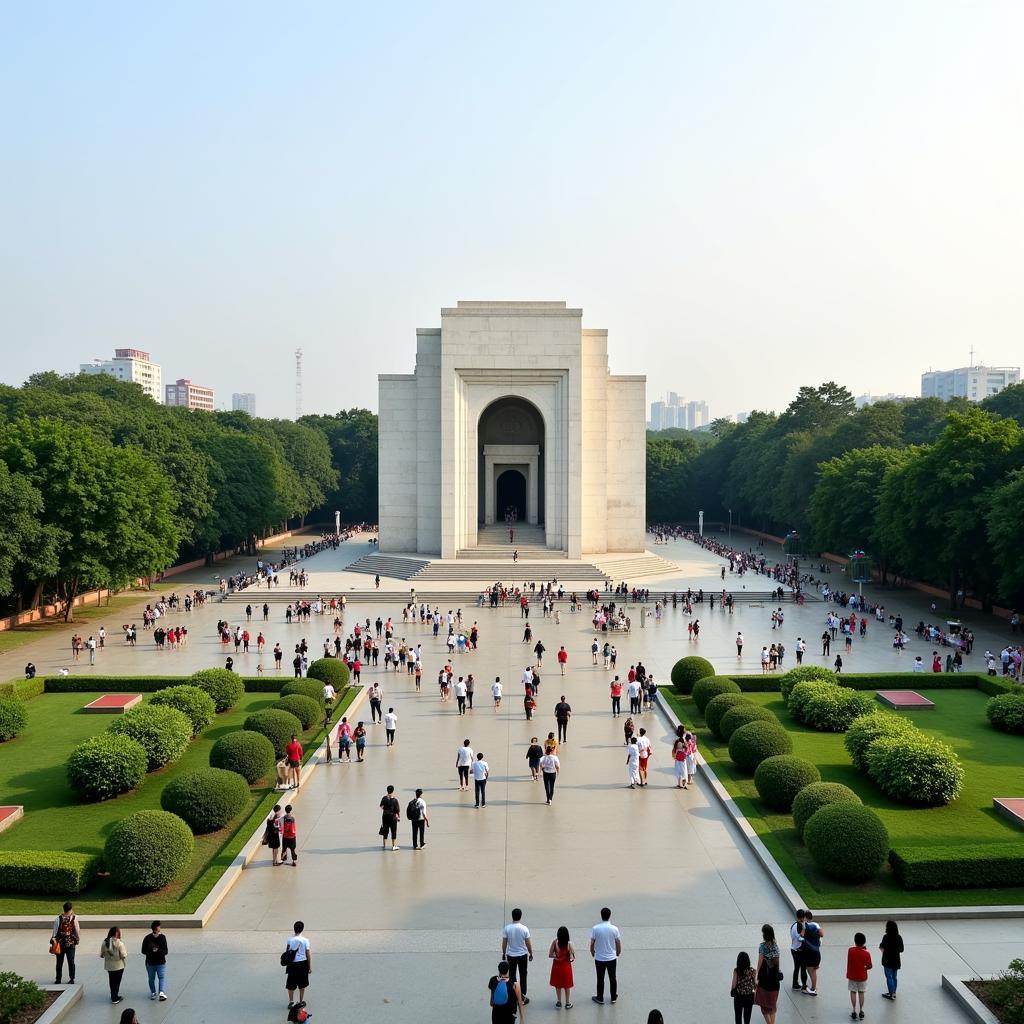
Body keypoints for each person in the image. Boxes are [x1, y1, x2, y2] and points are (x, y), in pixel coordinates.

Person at [502, 908, 534, 1005]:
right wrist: (531, 953)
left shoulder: (507, 928)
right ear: (520, 916)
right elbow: (528, 943)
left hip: (511, 955)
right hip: (522, 955)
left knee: (512, 976)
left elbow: (504, 943)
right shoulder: (524, 928)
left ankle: (514, 995)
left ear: (512, 916)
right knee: (523, 975)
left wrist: (504, 953)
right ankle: (522, 996)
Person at [589, 907, 621, 1005]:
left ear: (601, 915)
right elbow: (618, 942)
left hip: (599, 958)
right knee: (612, 977)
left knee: (600, 978)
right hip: (611, 957)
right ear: (609, 915)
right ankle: (613, 997)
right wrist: (618, 952)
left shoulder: (595, 928)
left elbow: (592, 942)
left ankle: (600, 997)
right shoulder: (615, 929)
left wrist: (592, 952)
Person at [753, 923, 780, 1024]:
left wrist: (756, 976)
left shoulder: (762, 947)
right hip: (775, 982)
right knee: (772, 1006)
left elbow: (759, 963)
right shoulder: (776, 947)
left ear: (764, 934)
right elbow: (778, 965)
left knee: (764, 1007)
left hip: (765, 982)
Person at [284, 920, 312, 1011]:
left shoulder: (289, 940)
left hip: (292, 964)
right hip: (302, 964)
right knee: (302, 984)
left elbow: (287, 952)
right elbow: (308, 953)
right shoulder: (305, 941)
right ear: (302, 929)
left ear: (294, 929)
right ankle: (301, 1002)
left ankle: (291, 1002)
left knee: (290, 984)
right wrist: (310, 966)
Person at [52, 900, 80, 984]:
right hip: (71, 944)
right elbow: (77, 930)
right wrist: (77, 940)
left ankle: (58, 979)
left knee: (59, 962)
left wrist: (54, 940)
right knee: (71, 961)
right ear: (70, 909)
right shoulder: (74, 918)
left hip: (60, 944)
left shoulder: (58, 919)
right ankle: (72, 979)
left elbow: (55, 932)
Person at [846, 931, 872, 1019]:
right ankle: (861, 1010)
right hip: (862, 976)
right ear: (864, 942)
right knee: (861, 993)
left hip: (852, 975)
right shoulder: (866, 953)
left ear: (855, 941)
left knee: (853, 992)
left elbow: (854, 951)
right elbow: (869, 966)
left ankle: (853, 1010)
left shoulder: (850, 950)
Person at [548, 926, 575, 1009]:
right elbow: (573, 955)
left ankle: (559, 1001)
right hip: (566, 967)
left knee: (558, 984)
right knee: (567, 985)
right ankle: (567, 1003)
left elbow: (550, 954)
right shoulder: (568, 944)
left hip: (557, 966)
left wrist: (556, 957)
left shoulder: (555, 942)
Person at [141, 921, 168, 1001]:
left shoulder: (161, 937)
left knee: (156, 978)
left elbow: (165, 951)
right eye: (159, 926)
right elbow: (143, 950)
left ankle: (159, 993)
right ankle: (156, 992)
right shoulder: (149, 938)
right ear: (156, 928)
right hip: (154, 962)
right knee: (156, 978)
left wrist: (157, 950)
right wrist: (152, 951)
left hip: (154, 962)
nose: (160, 928)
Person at [100, 926, 128, 1004]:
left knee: (111, 981)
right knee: (117, 982)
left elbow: (102, 955)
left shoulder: (104, 942)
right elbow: (124, 955)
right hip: (119, 965)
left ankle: (113, 995)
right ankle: (115, 997)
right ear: (117, 933)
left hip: (109, 966)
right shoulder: (119, 943)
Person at [879, 920, 903, 1000]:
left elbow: (881, 946)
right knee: (894, 976)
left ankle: (891, 994)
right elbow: (901, 949)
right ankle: (894, 992)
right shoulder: (899, 937)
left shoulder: (886, 937)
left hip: (887, 960)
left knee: (889, 977)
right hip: (896, 960)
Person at [731, 950, 757, 1024]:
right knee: (747, 1017)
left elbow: (733, 985)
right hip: (749, 997)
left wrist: (732, 991)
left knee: (738, 1017)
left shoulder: (736, 971)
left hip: (739, 997)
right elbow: (755, 985)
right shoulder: (753, 971)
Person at [800, 911, 822, 995]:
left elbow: (802, 935)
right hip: (816, 952)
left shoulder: (804, 925)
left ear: (805, 917)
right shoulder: (816, 925)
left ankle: (813, 988)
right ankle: (813, 987)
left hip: (809, 952)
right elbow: (822, 934)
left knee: (811, 971)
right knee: (813, 971)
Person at [789, 909, 807, 991]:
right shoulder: (798, 926)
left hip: (794, 949)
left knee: (797, 967)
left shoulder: (794, 925)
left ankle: (795, 983)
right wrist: (803, 931)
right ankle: (799, 984)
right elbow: (800, 938)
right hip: (797, 950)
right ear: (803, 917)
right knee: (800, 967)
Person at [380, 785, 401, 850]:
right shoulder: (395, 800)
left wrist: (386, 809)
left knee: (385, 830)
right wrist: (398, 816)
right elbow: (397, 810)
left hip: (385, 816)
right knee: (393, 831)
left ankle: (384, 846)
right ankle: (394, 846)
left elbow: (381, 806)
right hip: (393, 817)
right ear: (393, 790)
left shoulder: (384, 798)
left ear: (387, 790)